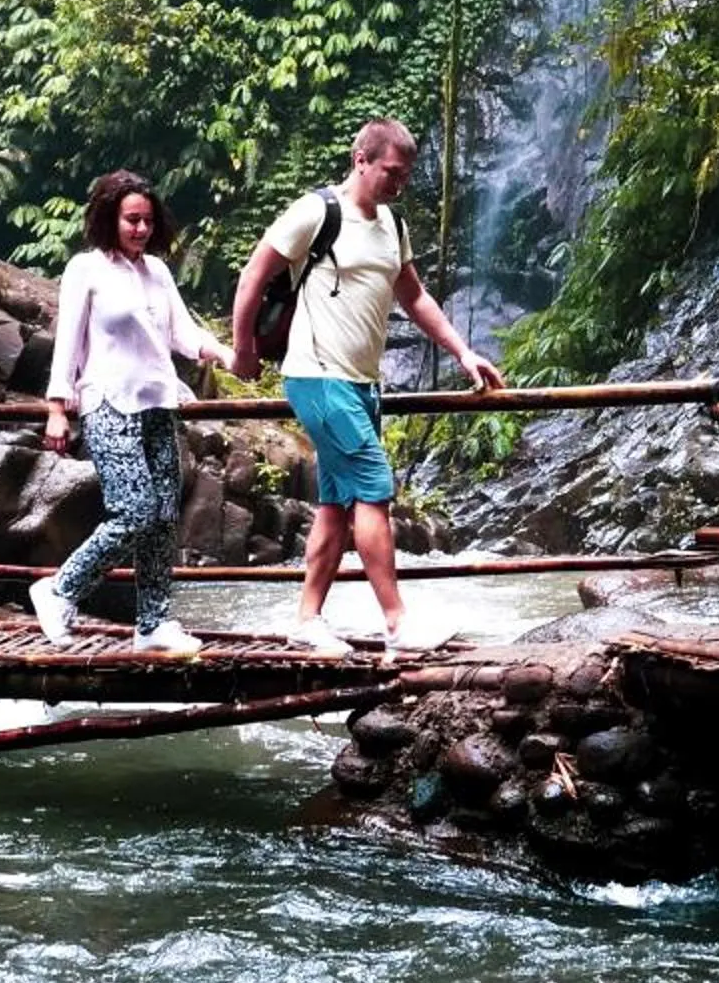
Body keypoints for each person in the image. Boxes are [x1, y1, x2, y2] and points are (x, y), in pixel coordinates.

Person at [228, 119, 504, 658]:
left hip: (360, 384)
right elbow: (252, 276)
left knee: (334, 504)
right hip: (317, 374)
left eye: (404, 176)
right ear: (361, 159)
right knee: (375, 489)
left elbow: (415, 297)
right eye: (390, 172)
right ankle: (397, 625)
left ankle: (306, 621)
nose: (397, 183)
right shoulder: (317, 211)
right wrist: (243, 350)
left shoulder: (392, 226)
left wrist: (463, 351)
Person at [30, 169, 228, 656]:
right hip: (107, 403)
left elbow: (184, 334)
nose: (140, 228)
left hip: (159, 404)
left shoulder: (157, 272)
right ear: (108, 219)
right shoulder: (86, 269)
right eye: (130, 219)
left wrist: (227, 354)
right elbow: (67, 344)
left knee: (162, 516)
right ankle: (58, 591)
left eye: (146, 220)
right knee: (134, 510)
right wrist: (58, 407)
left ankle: (153, 623)